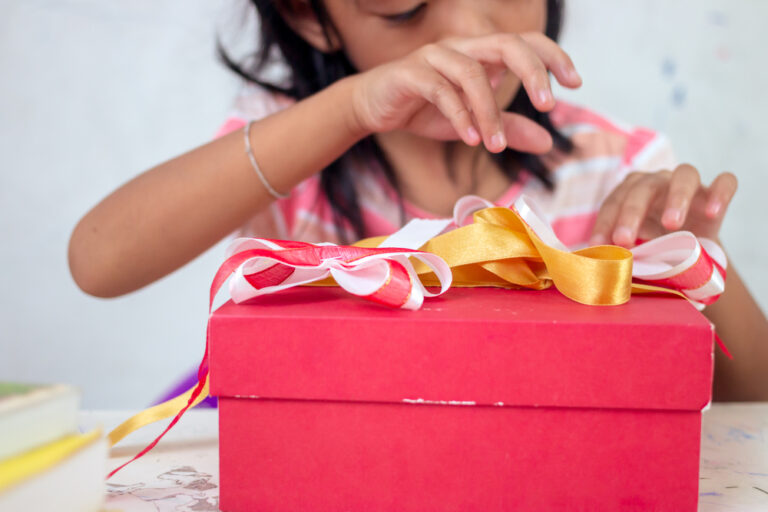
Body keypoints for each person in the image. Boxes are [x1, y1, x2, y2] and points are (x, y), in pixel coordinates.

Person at [68, 0, 768, 401]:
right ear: (312, 16)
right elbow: (99, 261)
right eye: (404, 4)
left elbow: (753, 409)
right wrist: (348, 110)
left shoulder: (614, 172)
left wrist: (700, 261)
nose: (469, 28)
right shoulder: (298, 151)